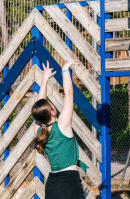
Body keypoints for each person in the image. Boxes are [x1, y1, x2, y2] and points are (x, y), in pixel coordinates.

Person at [32, 60, 88, 199]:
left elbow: (40, 106)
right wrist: (65, 69)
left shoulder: (39, 130)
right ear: (52, 112)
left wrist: (44, 80)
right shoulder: (62, 126)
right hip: (69, 183)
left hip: (51, 184)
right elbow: (69, 94)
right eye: (51, 106)